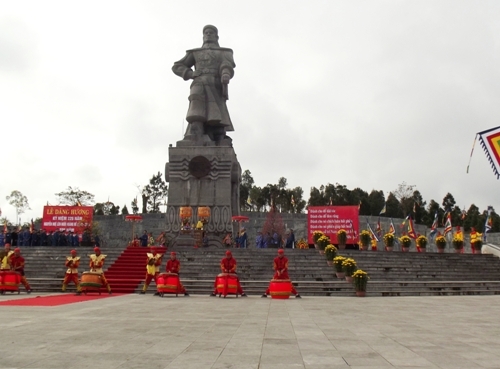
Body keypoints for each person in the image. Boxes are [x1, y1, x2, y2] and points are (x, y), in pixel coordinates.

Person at [172, 25, 236, 145]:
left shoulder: (224, 52)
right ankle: (196, 132)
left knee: (217, 111)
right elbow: (177, 66)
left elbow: (226, 65)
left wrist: (225, 74)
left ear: (216, 36)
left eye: (211, 32)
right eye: (206, 32)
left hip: (215, 83)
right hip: (199, 82)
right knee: (196, 105)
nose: (208, 34)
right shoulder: (195, 53)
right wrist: (190, 73)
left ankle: (217, 134)